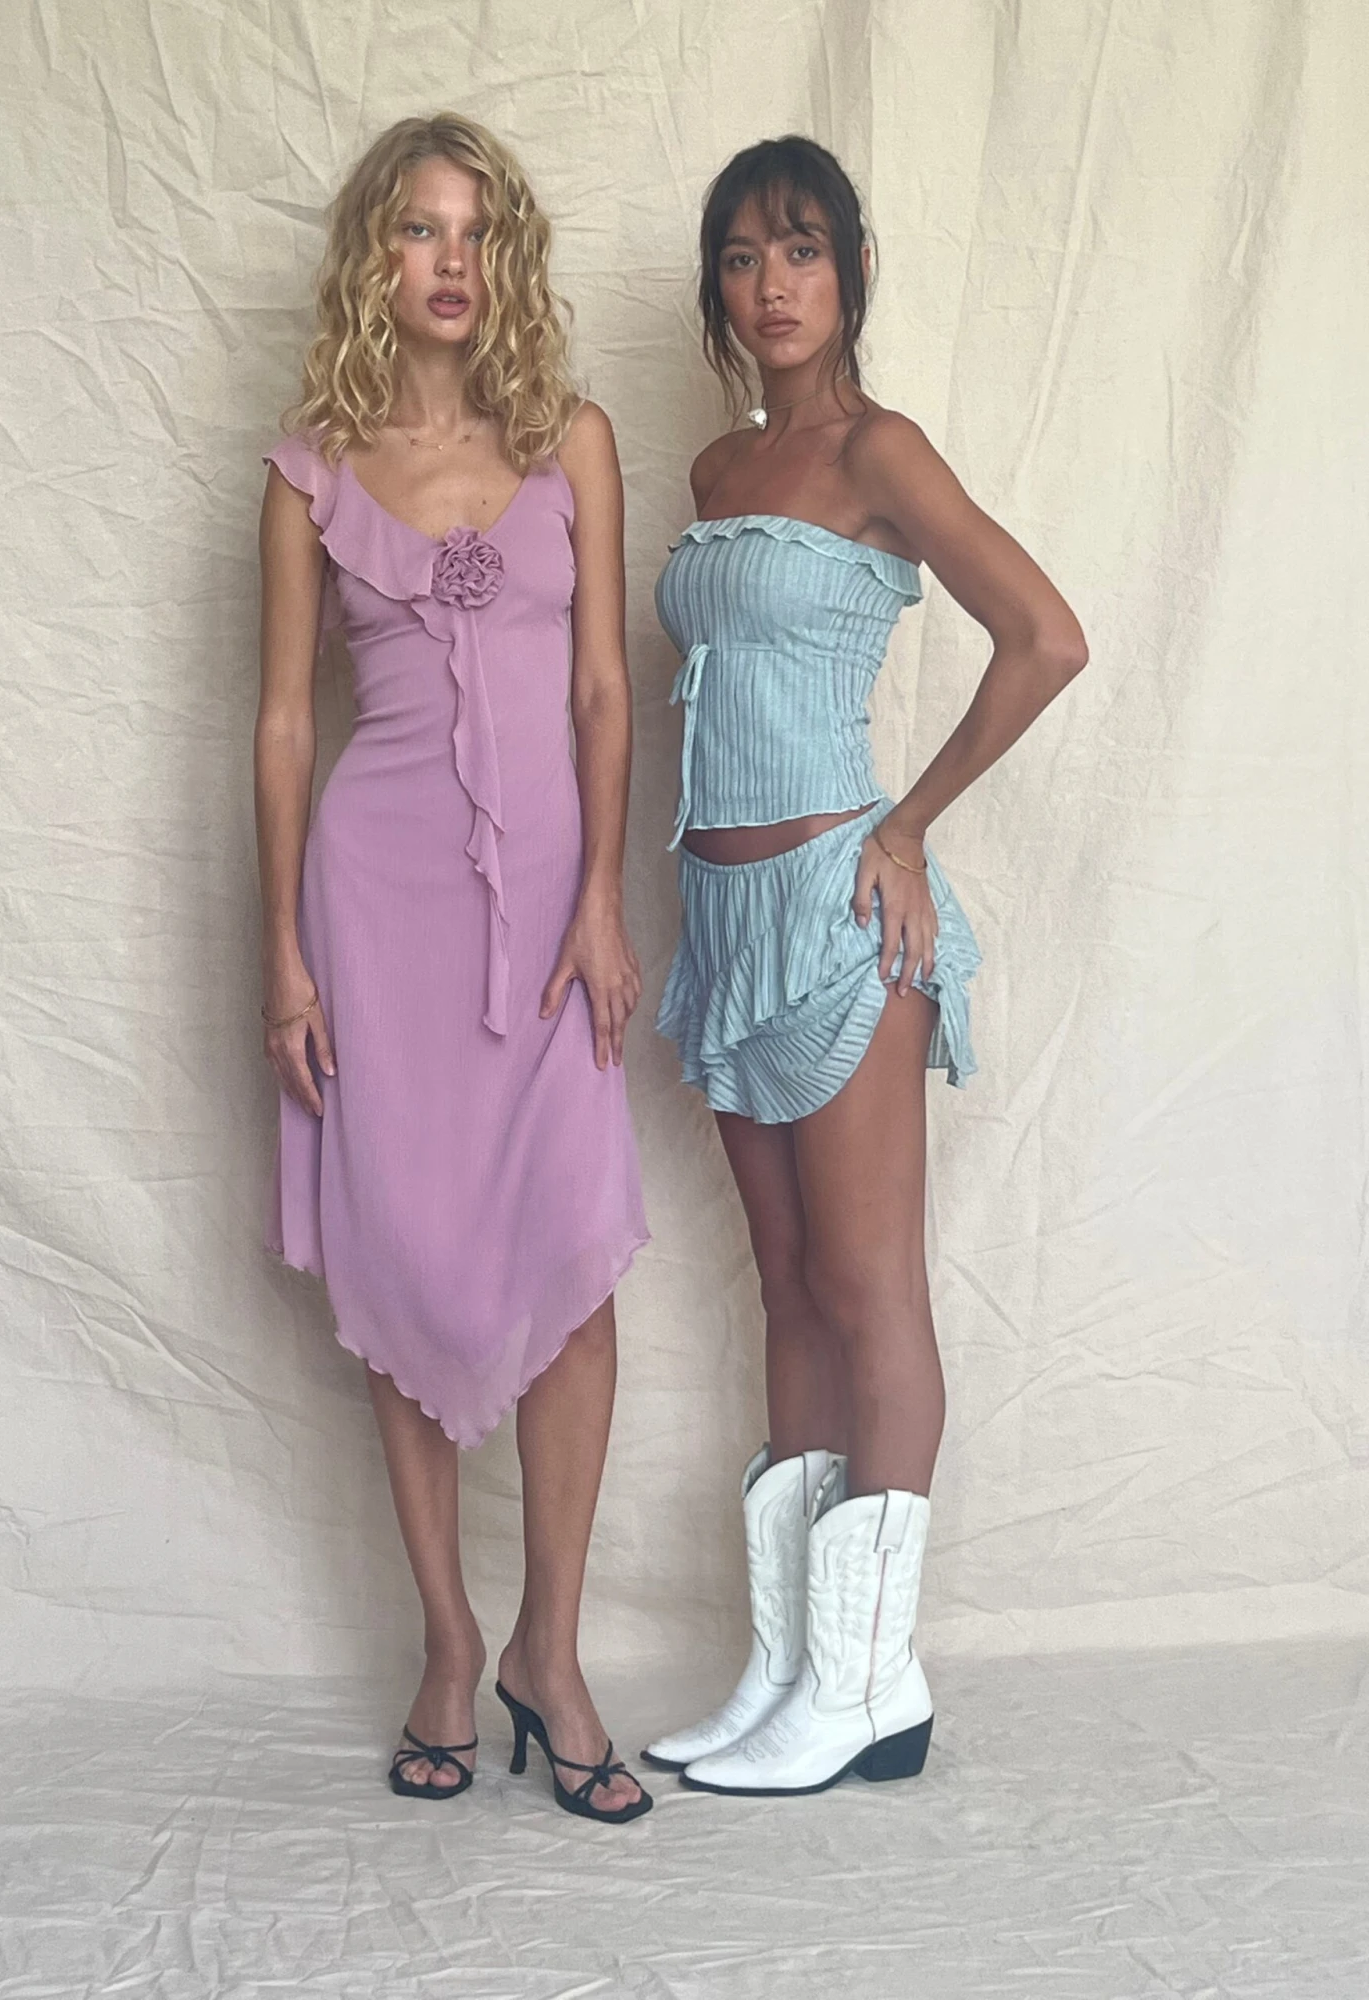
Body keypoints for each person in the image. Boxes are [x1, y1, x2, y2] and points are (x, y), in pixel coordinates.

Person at [644, 136, 1087, 1796]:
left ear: (853, 270)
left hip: (839, 919)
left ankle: (873, 1685)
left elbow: (1046, 636)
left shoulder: (879, 449)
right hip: (721, 917)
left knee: (868, 1284)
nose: (772, 285)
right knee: (787, 1290)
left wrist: (906, 827)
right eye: (743, 257)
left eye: (802, 249)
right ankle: (791, 1672)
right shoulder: (712, 471)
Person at [254, 113, 651, 1822]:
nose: (452, 262)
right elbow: (285, 724)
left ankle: (549, 1653)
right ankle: (446, 1639)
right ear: (375, 255)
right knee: (400, 1256)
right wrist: (281, 953)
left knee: (575, 1260)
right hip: (378, 907)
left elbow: (603, 692)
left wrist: (604, 900)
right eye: (421, 230)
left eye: (478, 233)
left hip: (554, 909)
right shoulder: (309, 471)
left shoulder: (575, 441)